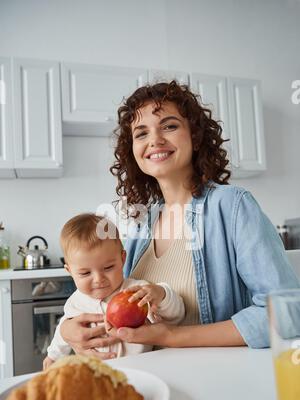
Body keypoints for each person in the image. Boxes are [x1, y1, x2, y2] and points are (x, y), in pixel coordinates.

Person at [60, 81, 300, 353]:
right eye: (141, 133)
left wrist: (171, 336)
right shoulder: (143, 224)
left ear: (195, 136)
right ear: (133, 151)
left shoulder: (232, 206)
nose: (155, 140)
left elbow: (287, 315)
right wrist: (67, 328)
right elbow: (113, 303)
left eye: (169, 126)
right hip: (149, 383)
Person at [43, 213, 185, 369]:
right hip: (95, 373)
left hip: (142, 370)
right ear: (69, 271)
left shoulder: (136, 292)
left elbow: (176, 316)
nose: (98, 279)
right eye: (85, 273)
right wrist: (53, 356)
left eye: (108, 268)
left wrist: (161, 294)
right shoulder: (75, 302)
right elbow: (64, 331)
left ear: (122, 259)